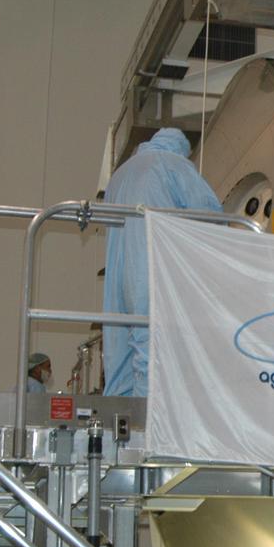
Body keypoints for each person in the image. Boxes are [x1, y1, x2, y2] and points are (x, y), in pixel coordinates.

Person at [103, 128, 222, 396]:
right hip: (150, 267)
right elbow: (211, 216)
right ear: (181, 148)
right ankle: (146, 424)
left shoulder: (120, 174)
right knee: (152, 347)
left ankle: (118, 413)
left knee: (120, 350)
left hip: (119, 274)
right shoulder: (174, 164)